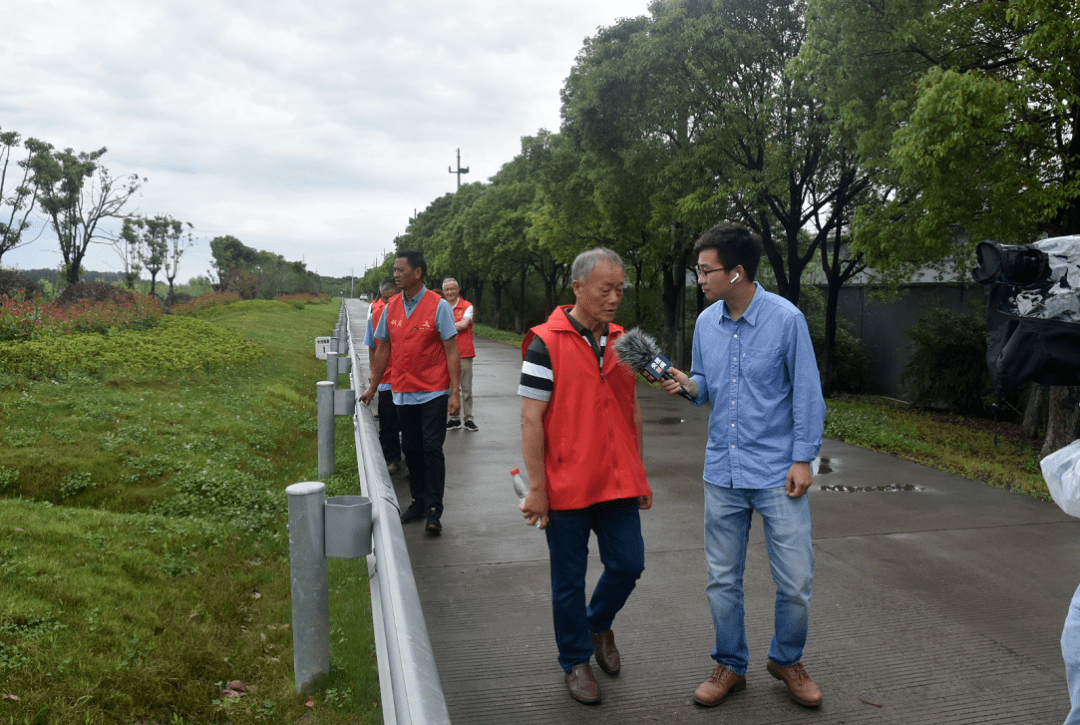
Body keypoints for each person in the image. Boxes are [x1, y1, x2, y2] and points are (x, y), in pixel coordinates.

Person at [660, 222, 827, 709]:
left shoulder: (786, 319)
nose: (700, 278)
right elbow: (705, 385)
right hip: (723, 473)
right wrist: (687, 385)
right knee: (722, 578)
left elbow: (808, 395)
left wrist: (803, 458)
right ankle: (730, 663)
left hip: (778, 472)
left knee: (795, 580)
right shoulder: (705, 323)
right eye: (698, 270)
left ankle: (786, 658)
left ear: (736, 273)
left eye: (706, 270)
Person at [518, 247, 653, 705]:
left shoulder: (624, 342)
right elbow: (530, 419)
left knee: (629, 563)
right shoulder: (545, 342)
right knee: (567, 581)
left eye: (620, 289)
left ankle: (598, 624)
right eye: (605, 290)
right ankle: (575, 660)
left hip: (618, 482)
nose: (615, 299)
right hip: (567, 486)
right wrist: (537, 489)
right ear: (577, 287)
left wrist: (640, 472)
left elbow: (631, 408)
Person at [360, 251, 461, 535]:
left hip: (433, 391)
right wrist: (372, 385)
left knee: (431, 447)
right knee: (411, 448)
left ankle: (433, 509)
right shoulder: (391, 306)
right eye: (394, 269)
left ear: (417, 273)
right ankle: (418, 501)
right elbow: (383, 348)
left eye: (400, 269)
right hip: (402, 390)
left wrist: (455, 393)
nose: (395, 274)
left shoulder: (438, 306)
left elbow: (452, 348)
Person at [364, 279, 401, 473]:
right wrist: (373, 373)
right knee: (388, 424)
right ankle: (392, 459)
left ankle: (412, 461)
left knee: (410, 427)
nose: (389, 302)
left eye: (392, 297)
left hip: (407, 381)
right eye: (385, 298)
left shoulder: (410, 314)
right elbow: (373, 347)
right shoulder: (375, 316)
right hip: (386, 381)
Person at [442, 278, 478, 432]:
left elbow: (464, 324)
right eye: (446, 290)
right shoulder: (440, 306)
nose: (450, 292)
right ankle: (454, 419)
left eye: (452, 289)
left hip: (464, 354)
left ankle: (469, 419)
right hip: (445, 354)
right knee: (449, 389)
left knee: (466, 389)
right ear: (443, 292)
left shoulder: (467, 306)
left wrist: (443, 325)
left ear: (458, 290)